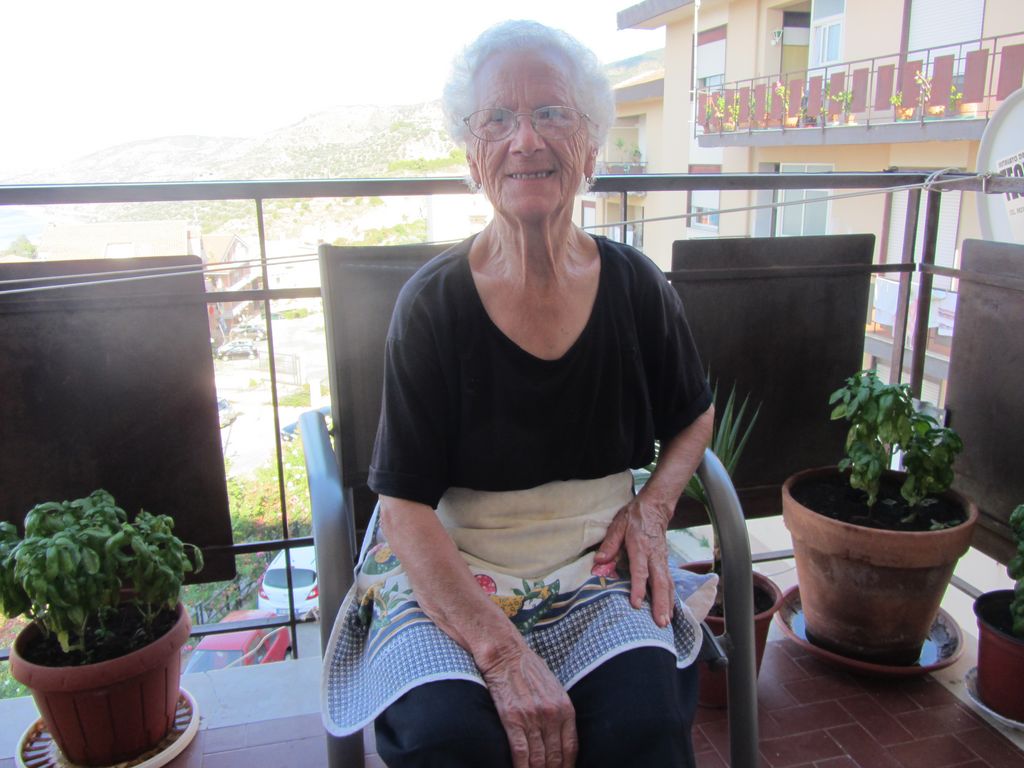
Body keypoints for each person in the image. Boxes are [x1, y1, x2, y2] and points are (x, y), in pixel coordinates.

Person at [322, 19, 715, 767]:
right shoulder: (432, 305)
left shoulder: (636, 285)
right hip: (452, 561)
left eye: (552, 113)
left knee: (643, 724)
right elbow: (403, 507)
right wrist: (501, 653)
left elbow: (694, 415)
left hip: (595, 558)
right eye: (497, 119)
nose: (525, 140)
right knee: (449, 739)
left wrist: (653, 508)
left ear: (591, 146)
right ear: (473, 158)